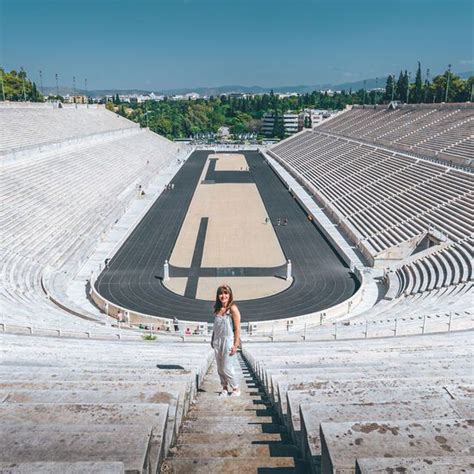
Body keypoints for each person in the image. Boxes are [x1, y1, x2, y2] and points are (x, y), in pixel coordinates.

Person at [211, 284, 241, 398]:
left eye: (225, 293)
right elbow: (215, 327)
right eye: (221, 293)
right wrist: (212, 340)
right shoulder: (218, 309)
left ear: (230, 295)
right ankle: (224, 388)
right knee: (219, 368)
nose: (223, 296)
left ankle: (236, 388)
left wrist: (236, 344)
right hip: (217, 341)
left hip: (228, 341)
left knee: (227, 367)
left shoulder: (232, 308)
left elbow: (237, 328)